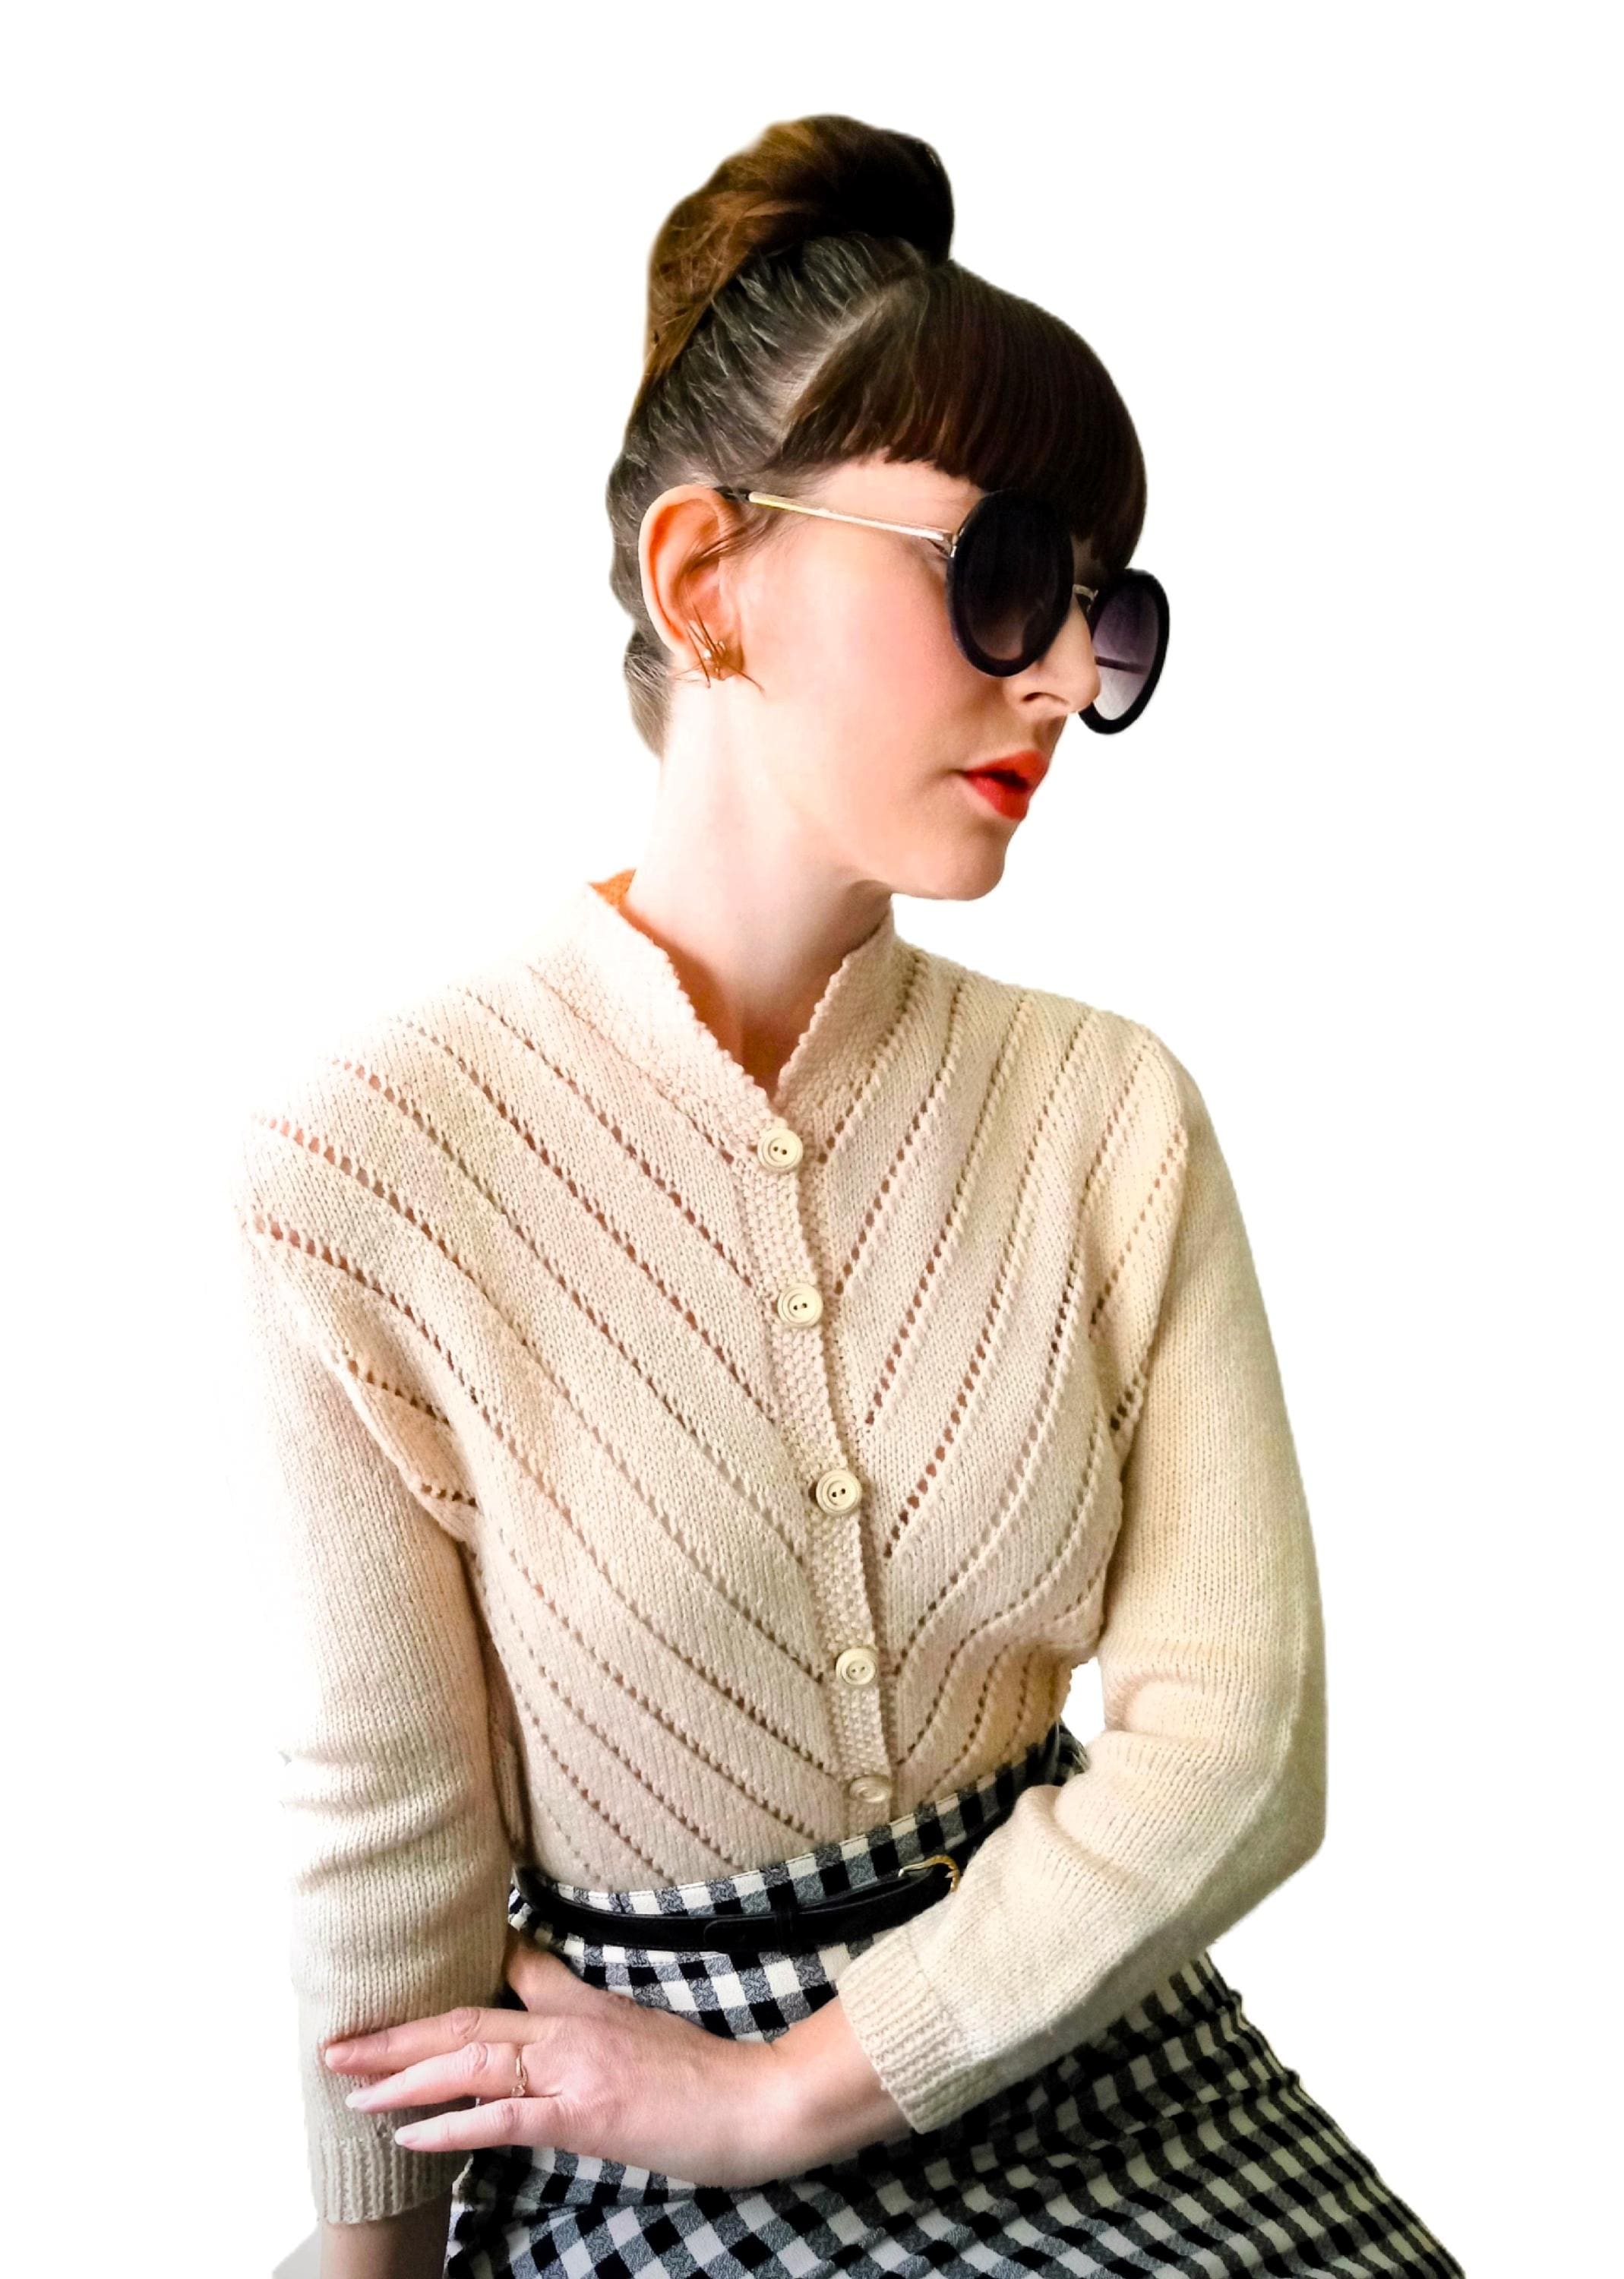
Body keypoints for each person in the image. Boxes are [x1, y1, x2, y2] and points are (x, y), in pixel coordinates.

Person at [229, 112, 1464, 2279]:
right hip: (615, 2103)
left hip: (1102, 2049)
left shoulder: (1104, 1113)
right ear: (707, 580)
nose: (1061, 677)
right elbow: (382, 1836)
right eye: (1001, 577)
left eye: (1101, 610)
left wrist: (790, 2092)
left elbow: (1238, 1744)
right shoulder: (369, 1164)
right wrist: (373, 2257)